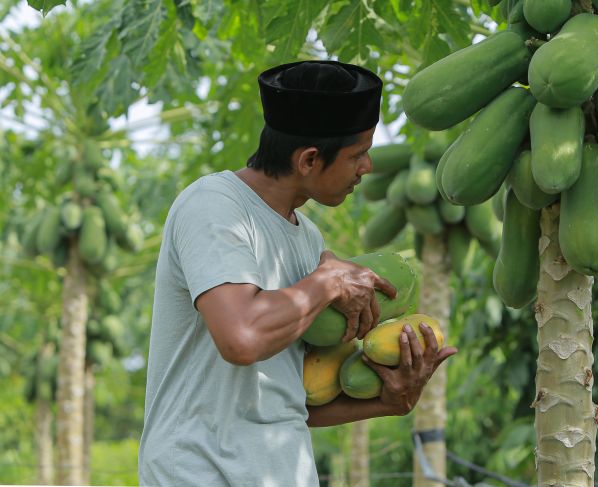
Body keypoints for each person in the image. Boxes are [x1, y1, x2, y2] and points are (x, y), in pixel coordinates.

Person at [138, 60, 458, 486]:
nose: (368, 168)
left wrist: (390, 400)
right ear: (309, 159)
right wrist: (326, 282)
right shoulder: (214, 208)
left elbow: (285, 400)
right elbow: (241, 338)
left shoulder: (307, 239)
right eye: (357, 154)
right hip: (200, 474)